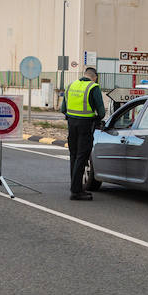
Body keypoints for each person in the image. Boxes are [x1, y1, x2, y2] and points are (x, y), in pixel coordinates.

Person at [63, 67, 106, 201]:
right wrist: (97, 119)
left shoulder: (71, 86)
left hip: (71, 124)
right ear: (95, 77)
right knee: (82, 156)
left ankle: (74, 187)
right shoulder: (93, 87)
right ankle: (76, 191)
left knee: (74, 155)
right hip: (85, 126)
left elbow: (63, 109)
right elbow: (102, 112)